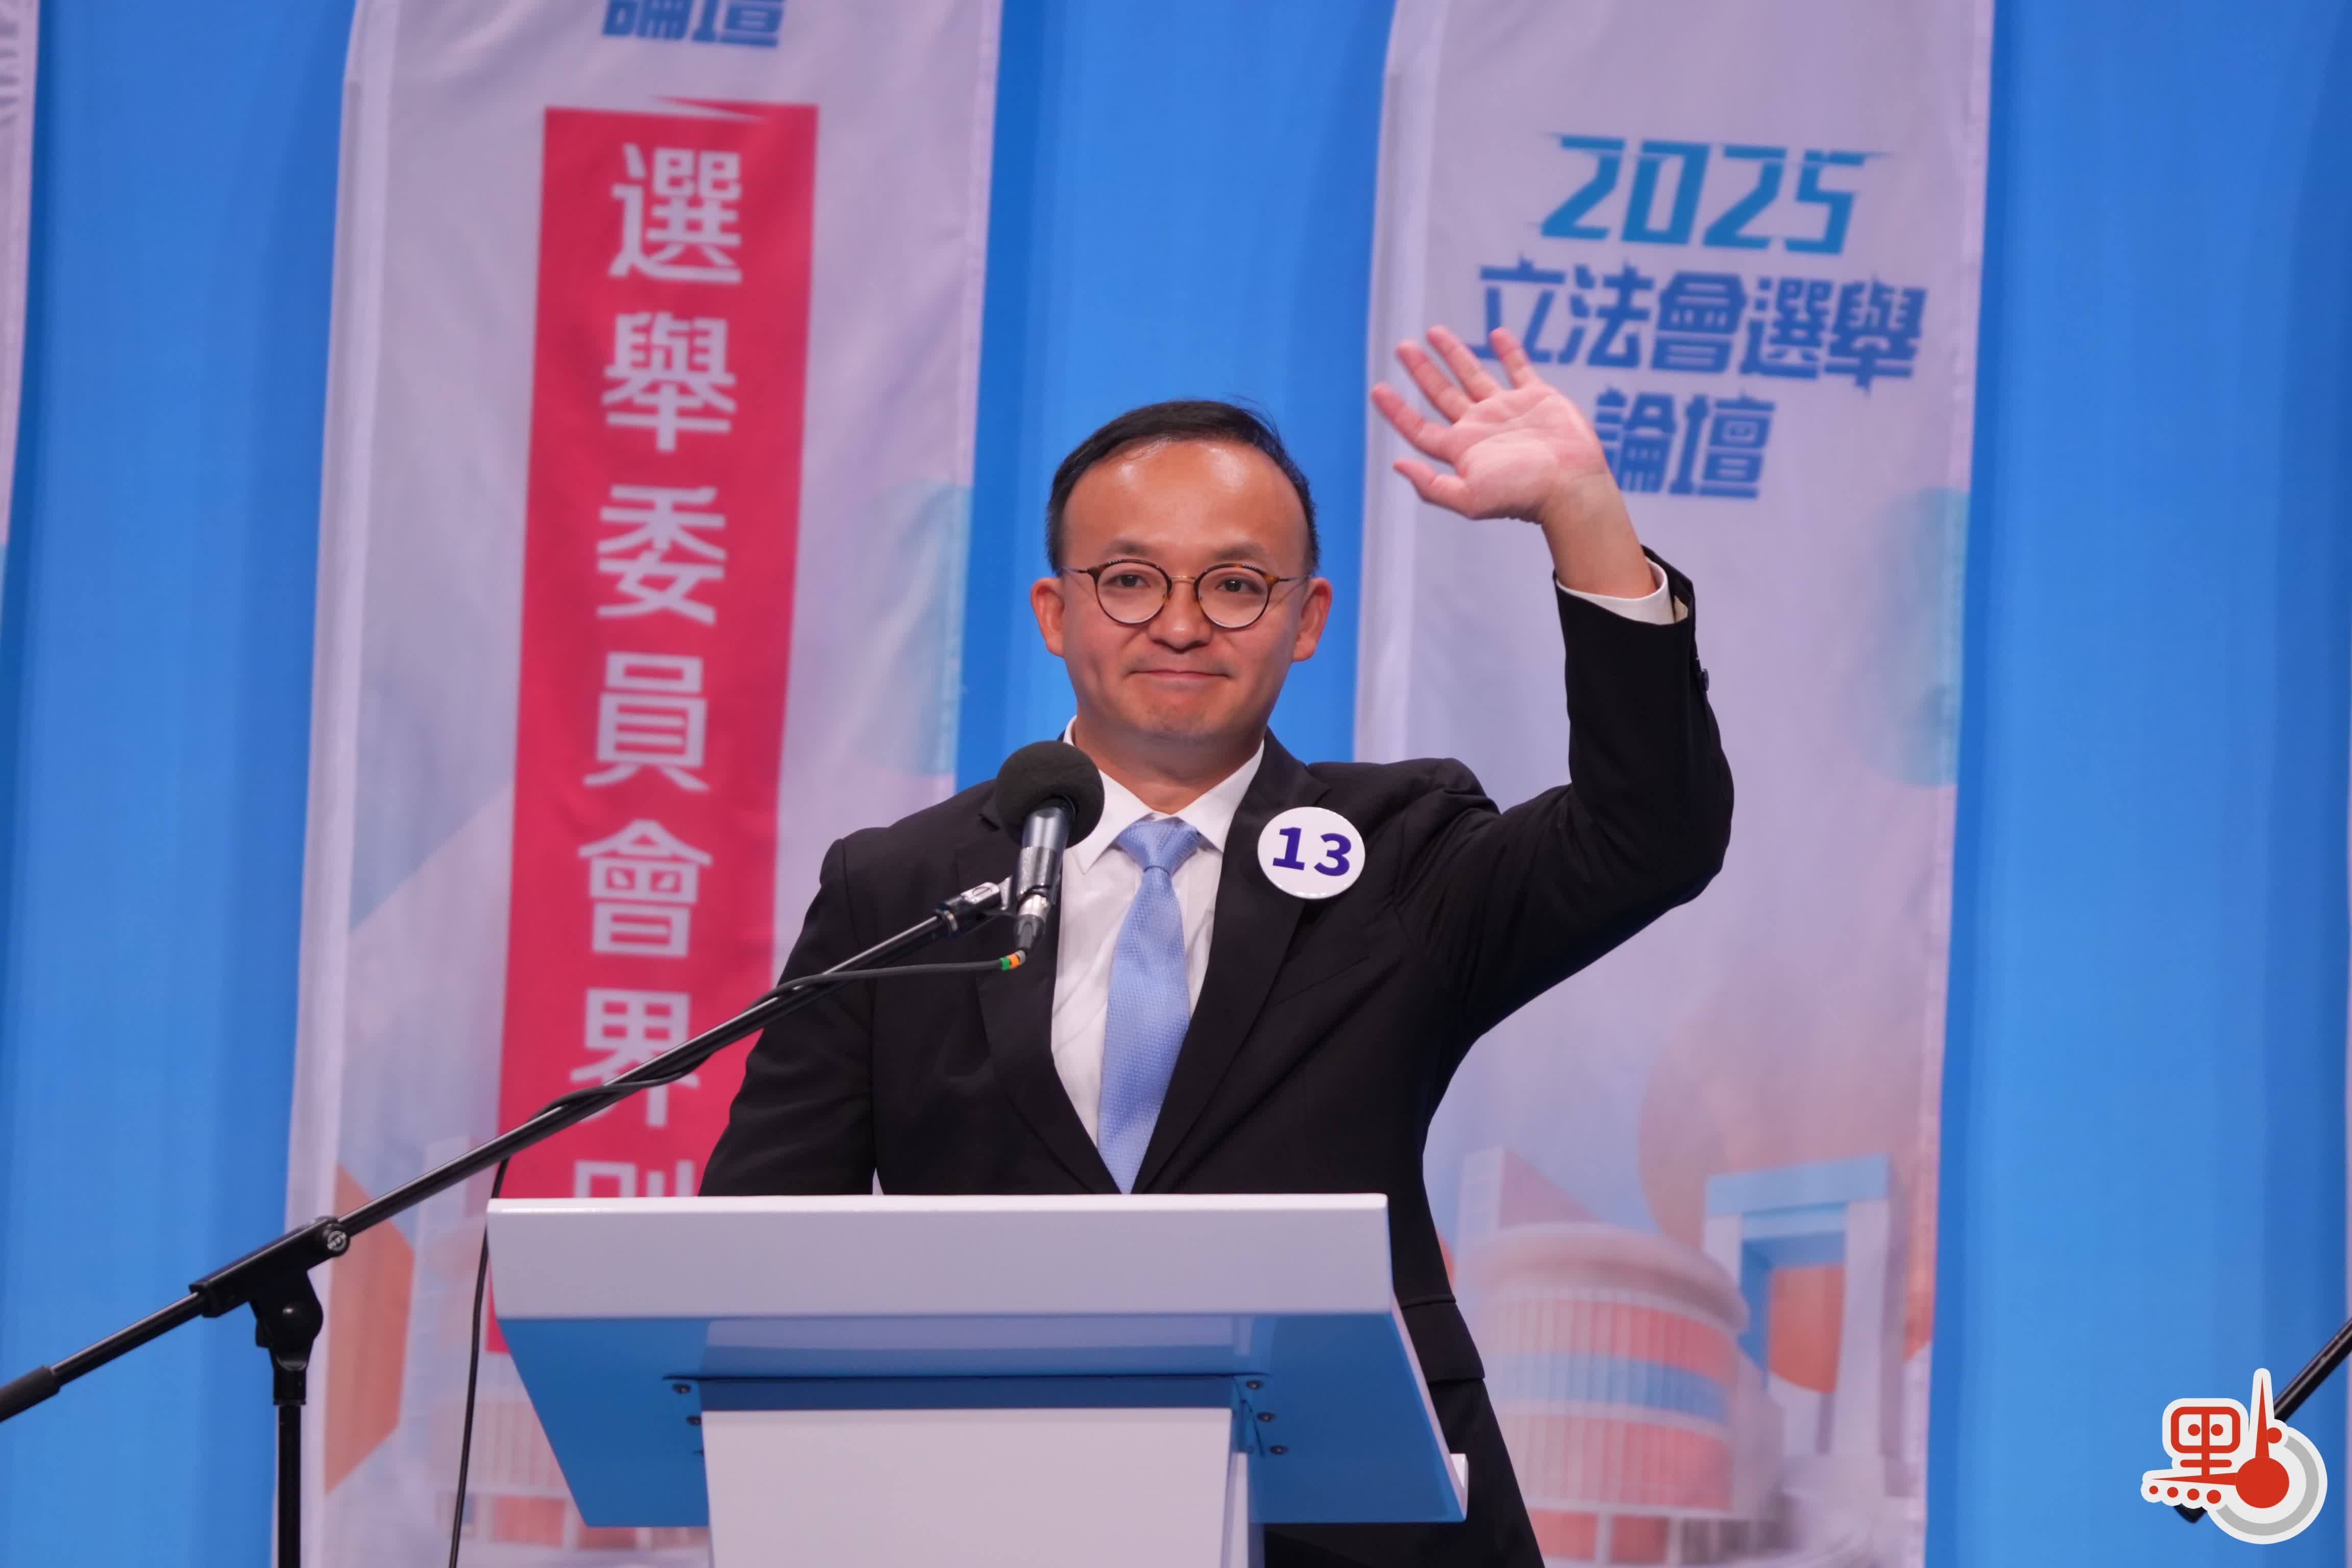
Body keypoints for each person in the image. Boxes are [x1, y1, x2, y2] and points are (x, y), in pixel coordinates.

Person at [703, 325, 1734, 1567]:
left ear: (1306, 619)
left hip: (1348, 1524)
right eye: (1131, 581)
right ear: (1055, 612)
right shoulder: (903, 888)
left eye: (1237, 585)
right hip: (980, 1512)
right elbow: (759, 1241)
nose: (1182, 624)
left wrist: (1582, 512)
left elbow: (1652, 835)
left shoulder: (1402, 853)